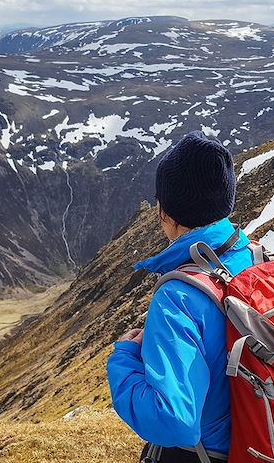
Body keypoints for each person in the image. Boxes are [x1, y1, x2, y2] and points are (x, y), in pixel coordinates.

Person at [107, 131, 255, 463]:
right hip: (263, 443)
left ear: (164, 212)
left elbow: (174, 422)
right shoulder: (259, 260)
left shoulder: (178, 298)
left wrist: (124, 360)